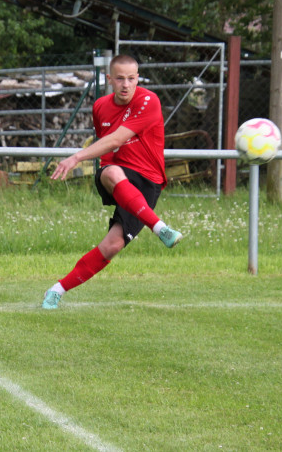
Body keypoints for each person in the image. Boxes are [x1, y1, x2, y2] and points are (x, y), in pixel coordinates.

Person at [42, 54, 183, 309]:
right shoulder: (100, 106)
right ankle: (161, 229)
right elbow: (107, 145)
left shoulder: (148, 100)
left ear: (138, 78)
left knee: (113, 245)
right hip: (118, 173)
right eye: (119, 78)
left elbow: (117, 138)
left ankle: (56, 289)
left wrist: (75, 157)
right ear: (109, 79)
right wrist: (104, 167)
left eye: (131, 78)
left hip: (148, 180)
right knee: (109, 172)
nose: (126, 84)